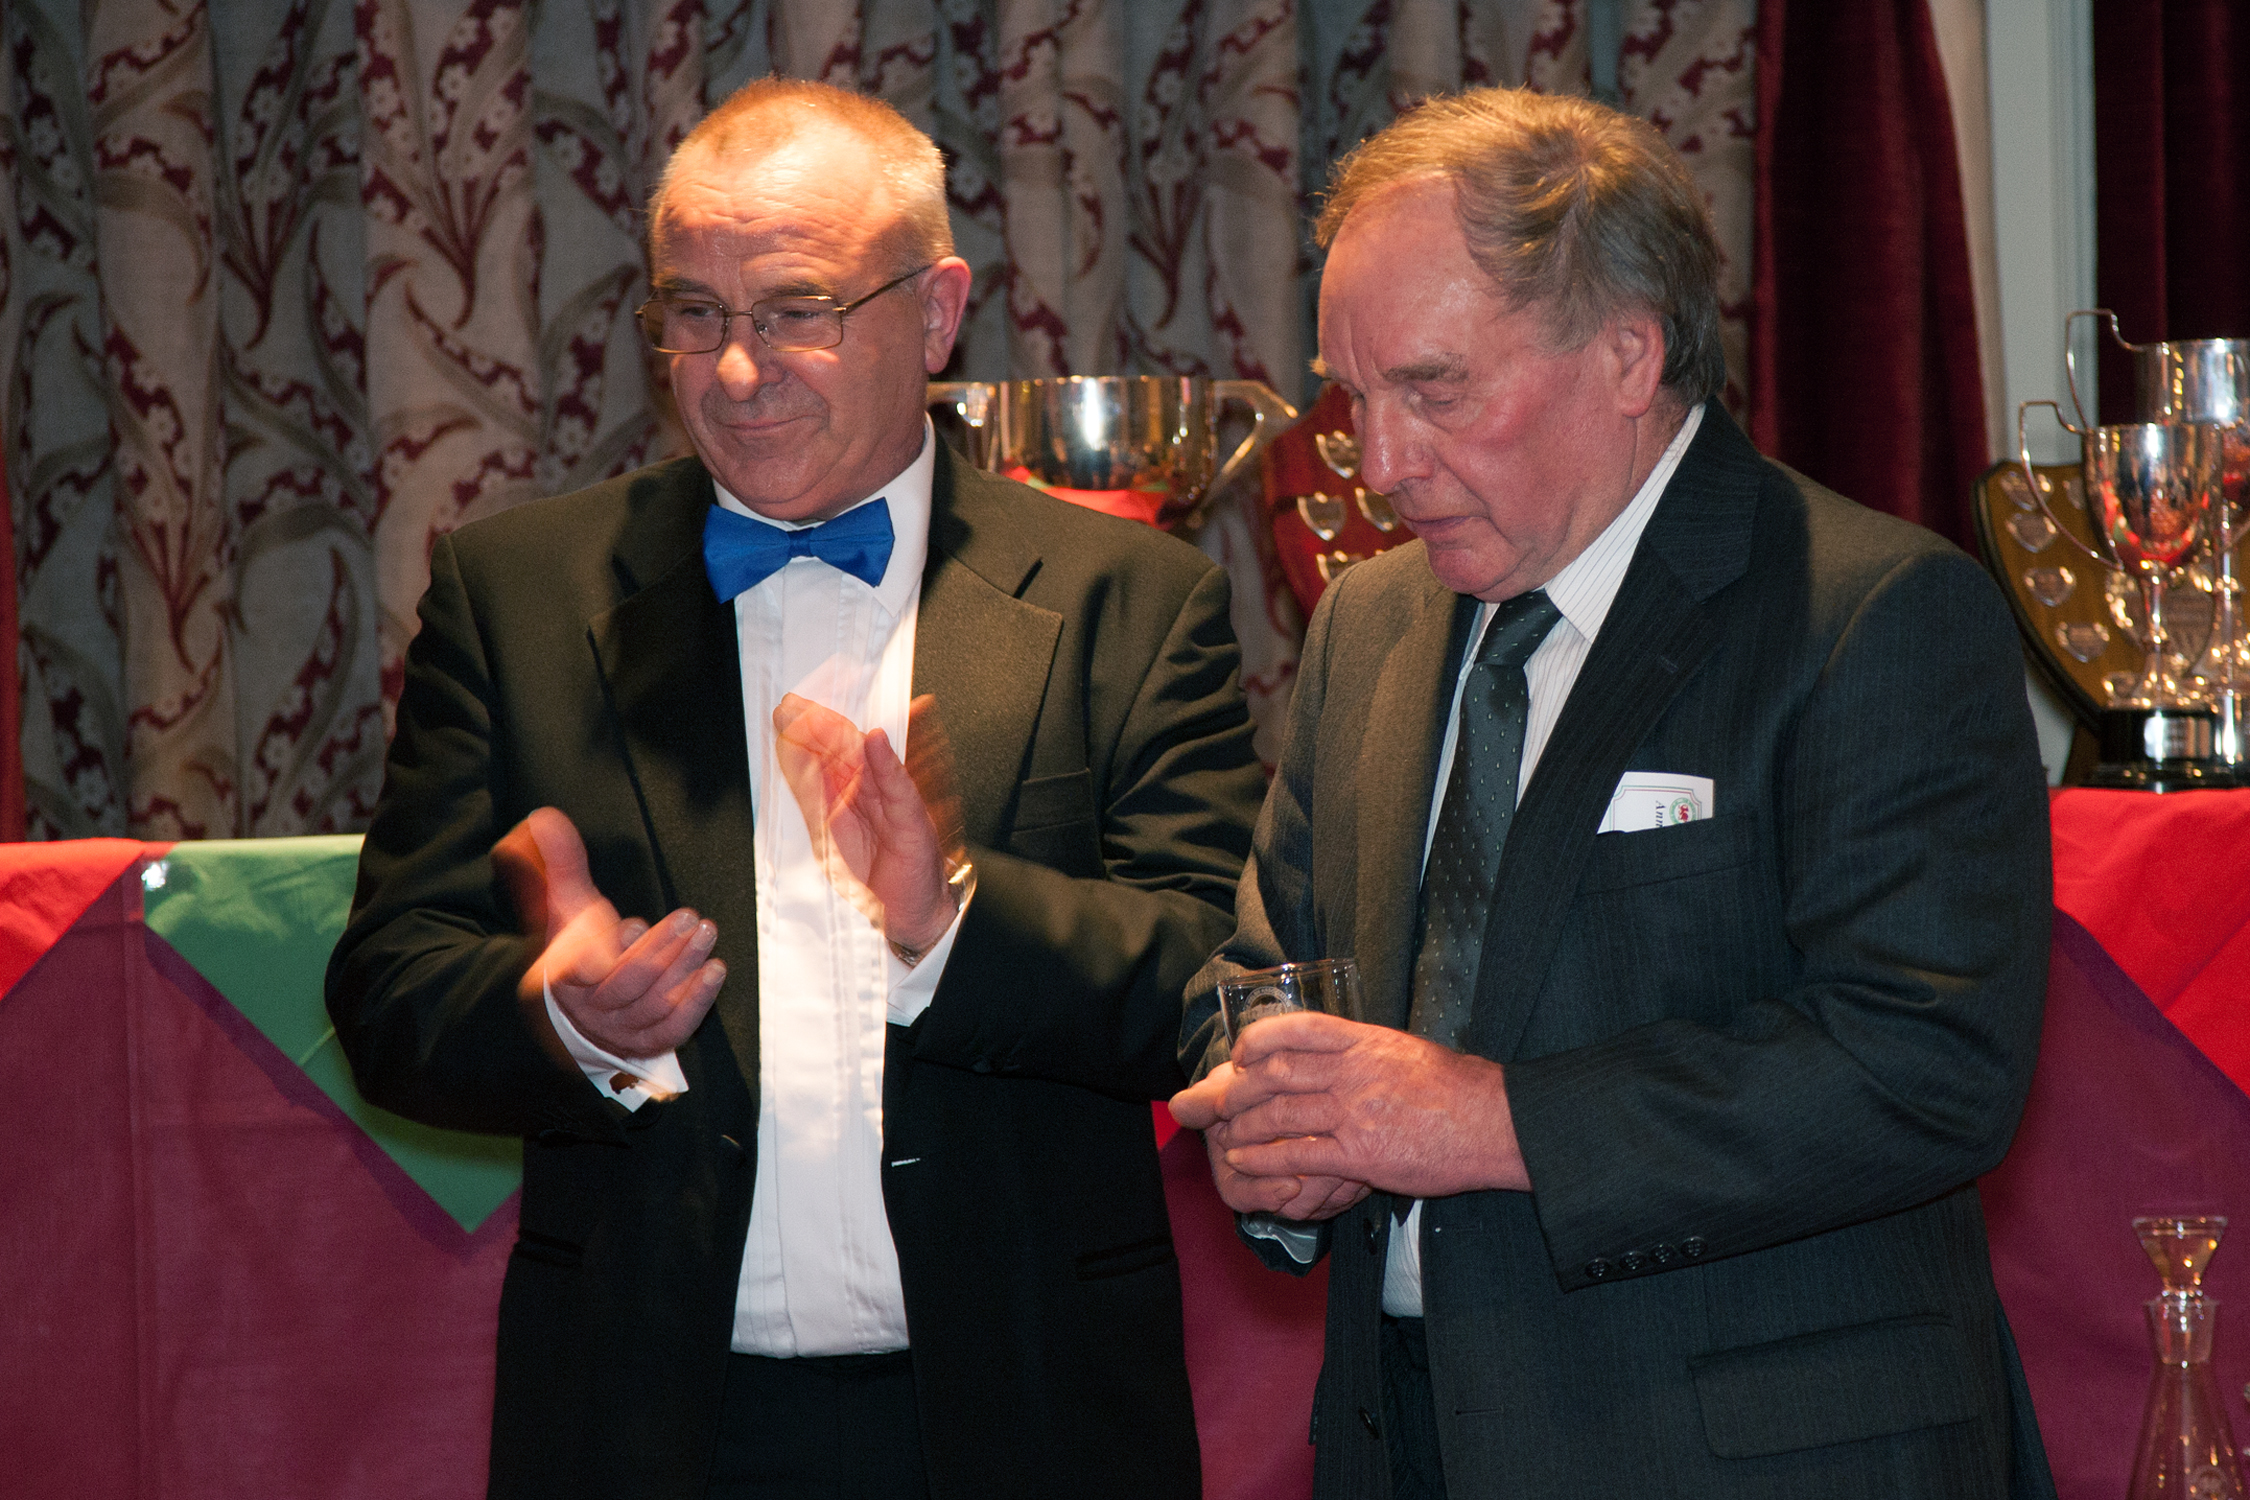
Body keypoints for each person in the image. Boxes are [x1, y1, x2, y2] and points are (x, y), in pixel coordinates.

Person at [326, 78, 1266, 1500]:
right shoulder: (515, 593)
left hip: (1025, 1418)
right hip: (648, 1426)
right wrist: (567, 1020)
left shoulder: (1129, 599)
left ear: (936, 314)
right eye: (693, 313)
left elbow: (1213, 978)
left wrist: (955, 924)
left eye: (795, 312)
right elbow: (390, 991)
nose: (733, 370)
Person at [1170, 86, 2057, 1498]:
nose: (1381, 464)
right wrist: (1270, 1125)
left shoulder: (1869, 612)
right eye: (1355, 399)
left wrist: (1484, 1118)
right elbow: (1263, 967)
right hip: (1409, 1448)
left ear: (1628, 354)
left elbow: (1926, 1066)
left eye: (1434, 389)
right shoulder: (1368, 625)